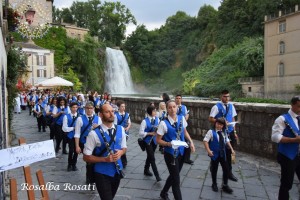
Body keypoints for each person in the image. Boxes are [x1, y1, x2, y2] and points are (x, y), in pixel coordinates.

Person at [83, 104, 127, 199]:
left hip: (117, 171)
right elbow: (86, 157)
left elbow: (124, 147)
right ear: (101, 115)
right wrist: (105, 159)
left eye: (112, 111)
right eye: (107, 112)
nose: (111, 114)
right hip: (101, 173)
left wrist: (121, 152)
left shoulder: (121, 129)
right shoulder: (93, 134)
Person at [156, 100, 195, 200]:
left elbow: (185, 131)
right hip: (170, 154)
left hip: (181, 152)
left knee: (174, 175)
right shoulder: (163, 123)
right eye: (170, 107)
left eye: (174, 107)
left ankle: (163, 193)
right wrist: (168, 144)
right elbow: (158, 140)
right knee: (176, 181)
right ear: (167, 109)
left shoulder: (182, 118)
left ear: (177, 108)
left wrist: (191, 142)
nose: (172, 109)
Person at [271, 96, 300, 200]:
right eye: (298, 107)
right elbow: (275, 137)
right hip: (288, 156)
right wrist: (294, 140)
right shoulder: (282, 119)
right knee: (287, 184)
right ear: (292, 105)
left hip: (298, 154)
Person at [208, 89, 238, 182]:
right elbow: (210, 118)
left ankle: (229, 172)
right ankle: (213, 166)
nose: (227, 98)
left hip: (230, 131)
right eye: (225, 96)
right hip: (220, 132)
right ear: (221, 96)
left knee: (229, 153)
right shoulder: (216, 107)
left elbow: (233, 118)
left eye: (228, 96)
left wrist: (235, 131)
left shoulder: (231, 106)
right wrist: (221, 122)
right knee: (218, 151)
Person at [203, 118, 234, 194]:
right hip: (214, 154)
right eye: (218, 124)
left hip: (223, 154)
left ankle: (225, 185)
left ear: (223, 125)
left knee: (226, 169)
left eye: (221, 124)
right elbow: (205, 141)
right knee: (214, 169)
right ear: (215, 123)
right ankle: (214, 184)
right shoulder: (211, 132)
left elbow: (227, 141)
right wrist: (208, 150)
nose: (219, 126)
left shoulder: (224, 132)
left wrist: (232, 149)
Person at [74, 101, 102, 184]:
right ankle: (89, 179)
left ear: (93, 109)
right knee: (89, 161)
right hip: (85, 143)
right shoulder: (80, 119)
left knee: (95, 161)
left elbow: (102, 132)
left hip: (96, 144)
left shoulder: (98, 118)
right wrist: (77, 146)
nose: (89, 110)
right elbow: (77, 133)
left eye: (91, 108)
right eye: (87, 108)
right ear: (85, 109)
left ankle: (94, 177)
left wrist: (98, 127)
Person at [139, 105, 162, 182]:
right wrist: (149, 133)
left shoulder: (158, 120)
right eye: (154, 111)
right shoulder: (144, 121)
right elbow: (141, 133)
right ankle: (157, 176)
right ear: (150, 112)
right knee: (152, 158)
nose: (155, 112)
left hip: (154, 141)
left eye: (156, 110)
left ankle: (146, 169)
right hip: (147, 141)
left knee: (150, 156)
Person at [175, 94, 193, 165]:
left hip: (183, 126)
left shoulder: (184, 107)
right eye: (177, 98)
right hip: (176, 127)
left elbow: (187, 114)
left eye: (179, 98)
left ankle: (187, 158)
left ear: (181, 99)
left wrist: (186, 117)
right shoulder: (173, 107)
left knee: (187, 142)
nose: (178, 99)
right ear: (175, 99)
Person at [62, 102, 80, 171]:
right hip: (70, 136)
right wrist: (73, 128)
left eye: (76, 107)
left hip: (77, 136)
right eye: (73, 107)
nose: (75, 109)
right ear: (70, 108)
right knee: (71, 150)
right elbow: (64, 128)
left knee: (76, 151)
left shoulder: (80, 116)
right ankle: (69, 164)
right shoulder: (66, 116)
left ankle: (74, 164)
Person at [114, 100, 131, 167]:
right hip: (118, 133)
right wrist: (121, 129)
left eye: (124, 106)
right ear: (119, 107)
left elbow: (129, 123)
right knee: (121, 146)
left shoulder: (127, 114)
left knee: (123, 145)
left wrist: (127, 128)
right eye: (122, 106)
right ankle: (123, 160)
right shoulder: (116, 115)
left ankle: (123, 160)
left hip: (126, 133)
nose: (123, 108)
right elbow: (115, 125)